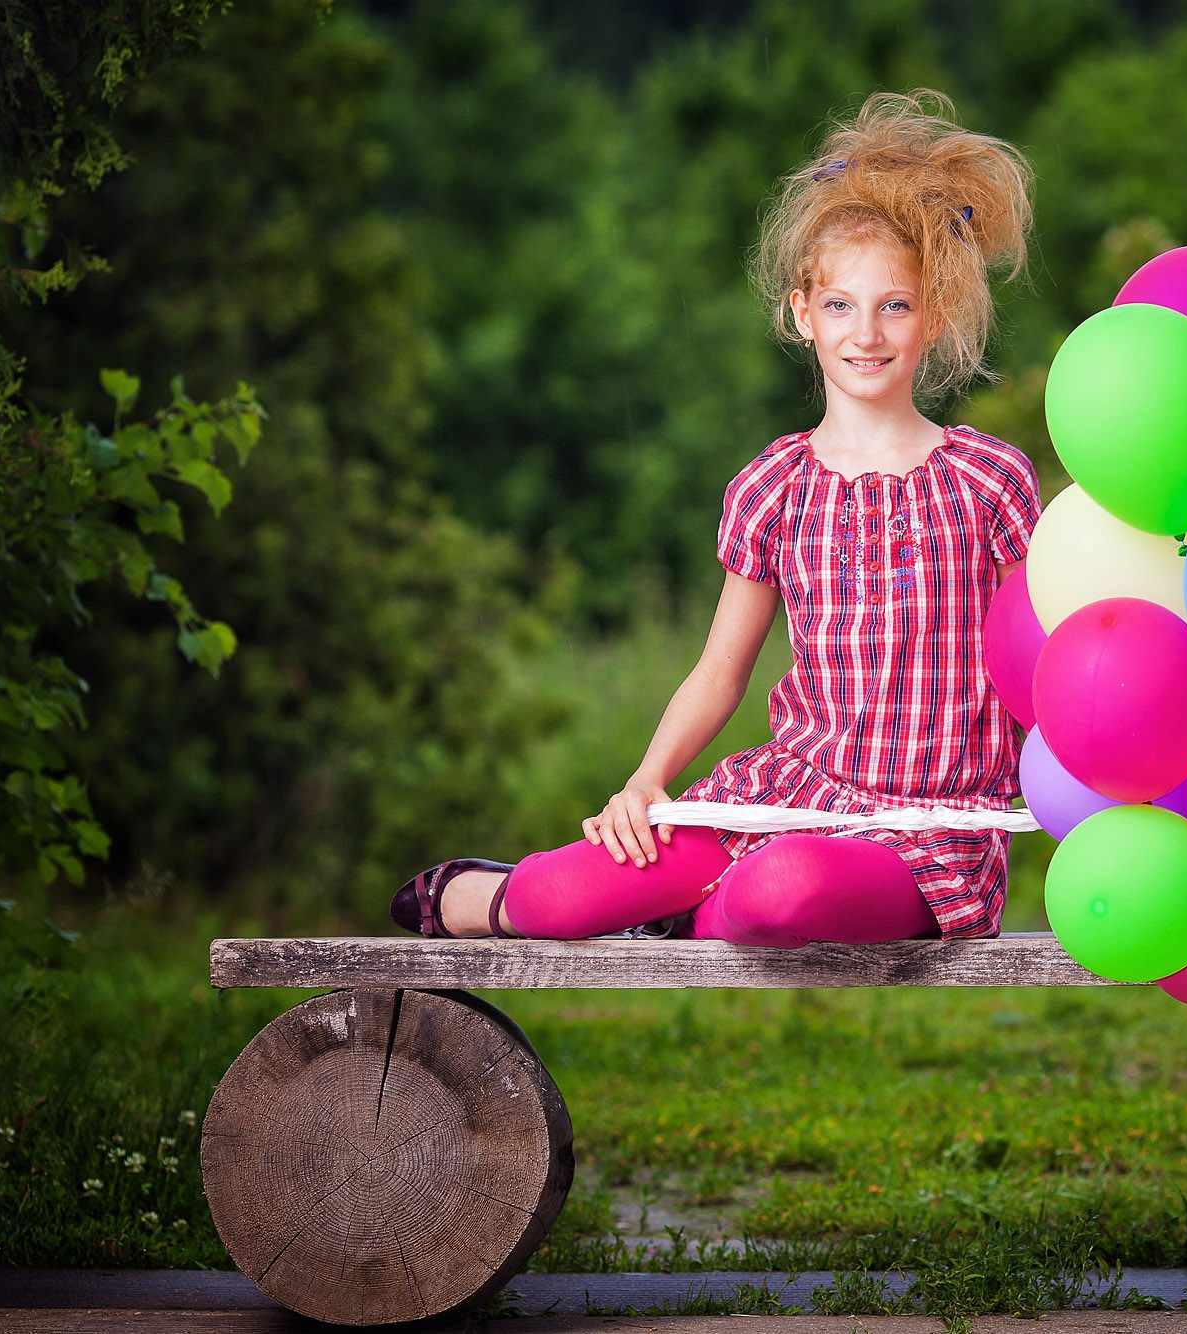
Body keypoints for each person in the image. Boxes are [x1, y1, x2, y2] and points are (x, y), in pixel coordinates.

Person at [391, 89, 1039, 946]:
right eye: (841, 305)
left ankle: (688, 910)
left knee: (782, 893)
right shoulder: (774, 485)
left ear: (935, 317)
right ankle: (474, 893)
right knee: (557, 900)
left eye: (896, 305)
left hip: (930, 832)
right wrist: (646, 782)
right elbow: (719, 671)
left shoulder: (990, 479)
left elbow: (1038, 652)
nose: (868, 333)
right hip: (789, 794)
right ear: (802, 316)